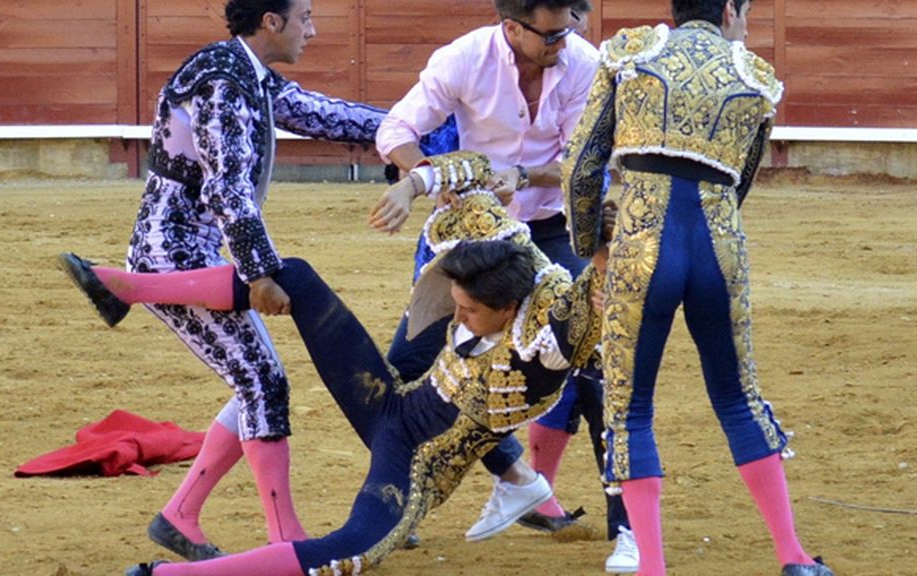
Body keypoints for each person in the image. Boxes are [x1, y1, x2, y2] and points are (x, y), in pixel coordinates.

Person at [62, 153, 609, 576]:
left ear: (510, 308)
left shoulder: (560, 323)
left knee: (347, 553)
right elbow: (472, 169)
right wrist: (411, 184)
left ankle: (171, 574)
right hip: (385, 399)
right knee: (291, 276)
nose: (457, 317)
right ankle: (126, 287)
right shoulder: (506, 246)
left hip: (413, 466)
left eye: (468, 311)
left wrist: (614, 235)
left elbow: (616, 276)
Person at [59, 0, 389, 562]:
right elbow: (227, 189)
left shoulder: (247, 75)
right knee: (263, 381)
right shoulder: (222, 80)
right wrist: (258, 271)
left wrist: (414, 128)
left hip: (198, 249)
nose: (313, 29)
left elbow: (324, 115)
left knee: (255, 379)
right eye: (305, 17)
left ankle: (179, 516)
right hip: (175, 252)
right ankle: (286, 540)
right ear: (271, 22)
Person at [561, 1, 835, 575]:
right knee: (738, 396)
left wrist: (594, 249)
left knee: (630, 407)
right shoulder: (756, 78)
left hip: (640, 241)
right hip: (718, 244)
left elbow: (582, 165)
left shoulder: (631, 54)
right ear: (731, 9)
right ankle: (794, 556)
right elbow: (743, 180)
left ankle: (652, 567)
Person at [369, 1, 636, 569]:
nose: (562, 43)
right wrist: (431, 179)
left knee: (597, 373)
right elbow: (396, 130)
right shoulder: (466, 57)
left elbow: (590, 163)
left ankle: (628, 527)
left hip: (556, 228)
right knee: (411, 366)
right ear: (512, 28)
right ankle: (419, 498)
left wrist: (527, 176)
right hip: (478, 234)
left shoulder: (583, 62)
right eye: (550, 34)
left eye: (568, 30)